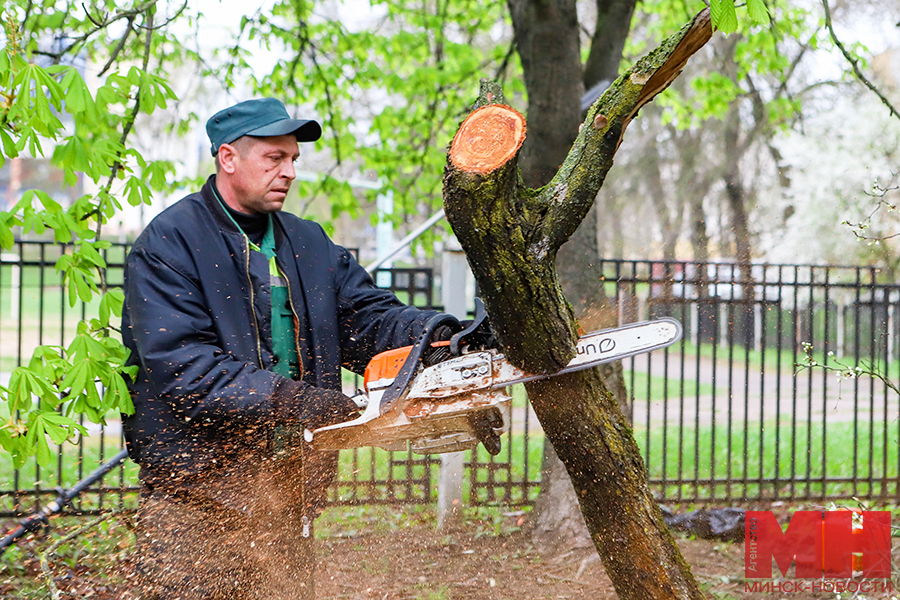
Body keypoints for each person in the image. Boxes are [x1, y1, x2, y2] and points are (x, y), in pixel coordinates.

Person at [121, 97, 463, 599]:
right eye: (274, 158)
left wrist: (441, 335)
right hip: (194, 499)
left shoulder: (307, 243)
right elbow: (185, 369)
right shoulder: (171, 244)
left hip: (288, 494)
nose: (289, 172)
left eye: (293, 159)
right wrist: (299, 402)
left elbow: (366, 321)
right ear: (228, 158)